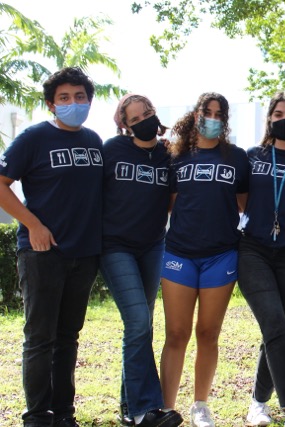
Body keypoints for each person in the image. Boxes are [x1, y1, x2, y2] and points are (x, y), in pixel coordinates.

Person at [0, 67, 103, 427]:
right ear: (50, 104)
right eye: (64, 98)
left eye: (79, 96)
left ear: (89, 101)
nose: (73, 103)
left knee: (67, 338)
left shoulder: (94, 141)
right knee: (39, 338)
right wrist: (33, 224)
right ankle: (38, 416)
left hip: (84, 254)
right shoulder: (33, 138)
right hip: (42, 254)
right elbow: (1, 183)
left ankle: (64, 414)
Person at [159, 92, 249, 427]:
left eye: (218, 114)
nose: (211, 118)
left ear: (225, 121)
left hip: (221, 255)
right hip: (179, 254)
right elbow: (166, 205)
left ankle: (200, 405)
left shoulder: (236, 158)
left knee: (208, 332)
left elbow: (245, 204)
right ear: (195, 114)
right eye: (206, 111)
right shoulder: (176, 156)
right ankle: (166, 409)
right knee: (176, 333)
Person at [100, 94, 183, 427]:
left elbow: (172, 202)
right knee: (137, 322)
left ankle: (128, 407)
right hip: (114, 246)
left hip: (152, 247)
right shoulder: (112, 150)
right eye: (136, 118)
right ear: (125, 125)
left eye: (148, 113)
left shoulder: (168, 154)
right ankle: (144, 410)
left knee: (141, 325)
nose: (144, 119)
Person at [238, 91, 285, 427]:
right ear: (269, 119)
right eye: (278, 113)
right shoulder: (252, 156)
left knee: (278, 330)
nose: (284, 119)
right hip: (254, 250)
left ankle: (257, 402)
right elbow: (239, 198)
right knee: (274, 324)